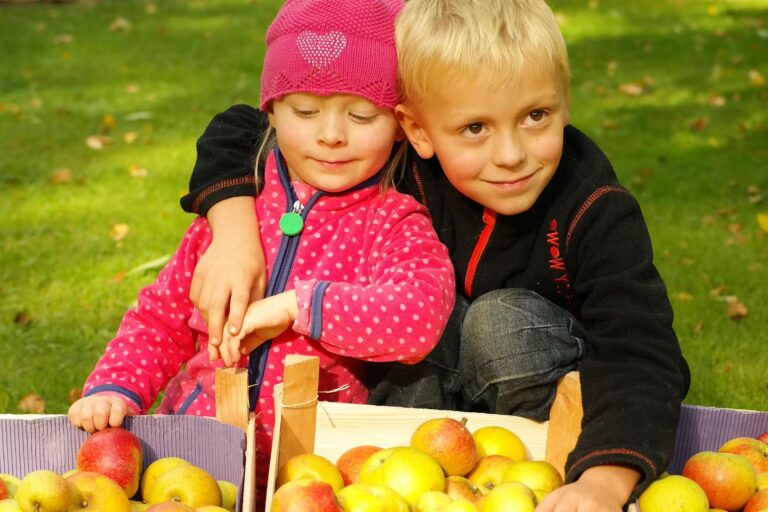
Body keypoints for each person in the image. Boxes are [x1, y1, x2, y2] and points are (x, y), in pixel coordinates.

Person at [180, 0, 691, 509]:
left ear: (564, 103)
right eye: (475, 128)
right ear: (417, 130)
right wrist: (234, 234)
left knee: (497, 324)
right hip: (431, 400)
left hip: (536, 397)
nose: (510, 154)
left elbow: (639, 349)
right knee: (421, 334)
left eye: (536, 116)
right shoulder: (397, 159)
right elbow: (242, 127)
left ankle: (555, 474)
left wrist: (603, 481)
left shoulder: (595, 210)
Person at [68, 0, 456, 501]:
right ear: (270, 111)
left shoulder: (390, 221)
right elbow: (162, 318)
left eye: (362, 115)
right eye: (306, 111)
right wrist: (114, 387)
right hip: (194, 453)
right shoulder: (237, 206)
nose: (331, 135)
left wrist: (300, 306)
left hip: (312, 471)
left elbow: (419, 315)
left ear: (400, 122)